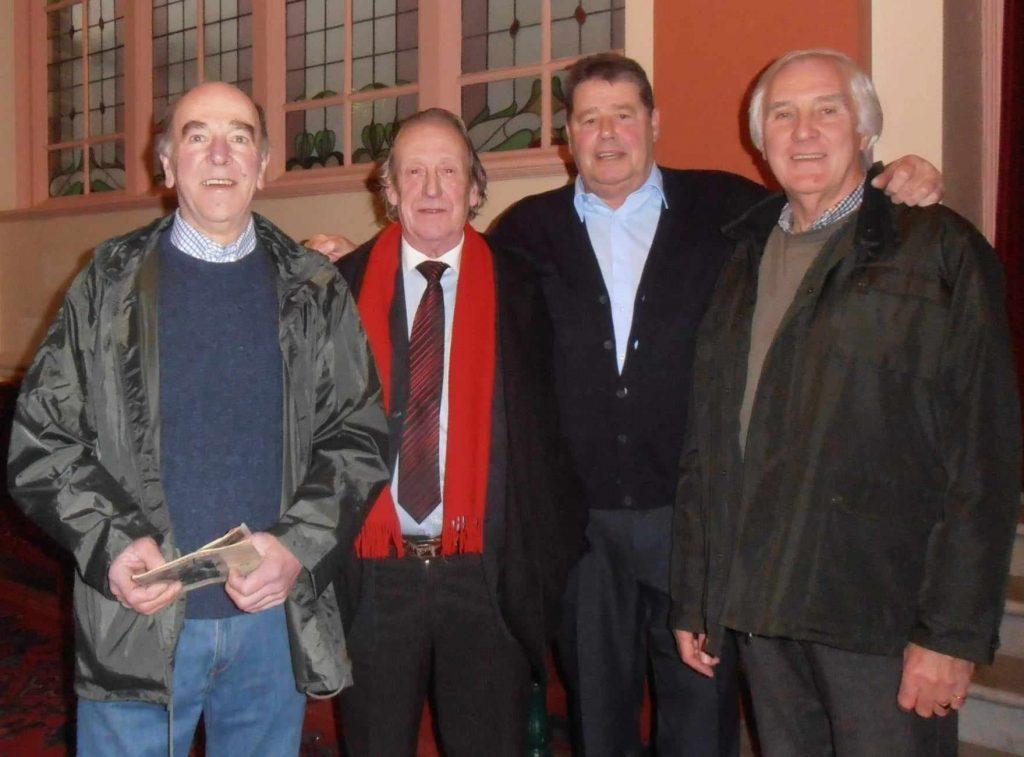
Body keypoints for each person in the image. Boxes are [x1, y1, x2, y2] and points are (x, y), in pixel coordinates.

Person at [308, 52, 944, 756]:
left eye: (623, 115)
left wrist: (892, 179)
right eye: (589, 119)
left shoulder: (726, 209)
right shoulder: (525, 235)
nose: (607, 133)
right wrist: (332, 260)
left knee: (699, 717)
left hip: (685, 521)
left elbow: (818, 199)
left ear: (654, 122)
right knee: (596, 718)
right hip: (577, 535)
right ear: (567, 137)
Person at [6, 81, 391, 756]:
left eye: (239, 135)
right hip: (139, 622)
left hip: (269, 621)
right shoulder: (108, 282)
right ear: (166, 164)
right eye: (196, 135)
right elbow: (42, 438)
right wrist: (112, 542)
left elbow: (357, 436)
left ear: (264, 163)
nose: (219, 153)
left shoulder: (313, 288)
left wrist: (297, 546)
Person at [670, 48, 1020, 756]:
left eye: (827, 111)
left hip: (881, 619)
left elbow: (984, 454)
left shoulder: (939, 249)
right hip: (764, 609)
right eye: (783, 114)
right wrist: (698, 592)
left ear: (865, 130)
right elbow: (710, 444)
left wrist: (949, 634)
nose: (804, 131)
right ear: (761, 143)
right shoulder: (741, 262)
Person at [332, 108, 584, 756]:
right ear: (387, 189)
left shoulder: (526, 289)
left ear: (476, 187)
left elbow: (560, 438)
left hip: (486, 576)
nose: (432, 189)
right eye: (413, 172)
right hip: (373, 578)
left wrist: (540, 571)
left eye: (449, 170)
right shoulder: (337, 288)